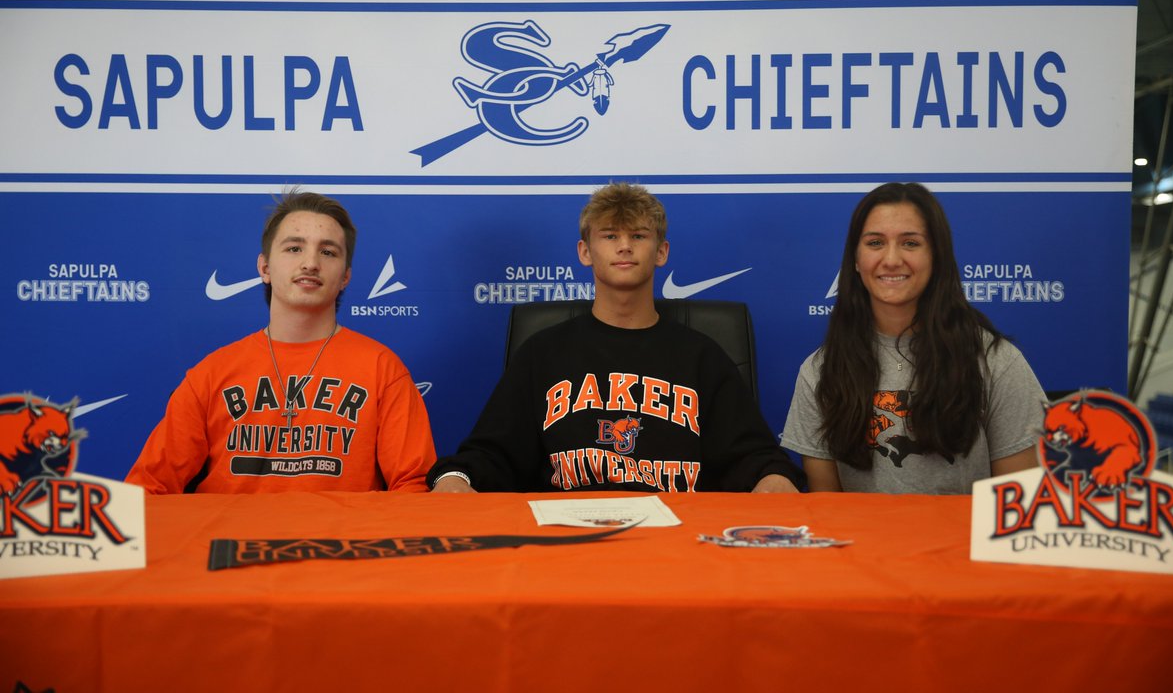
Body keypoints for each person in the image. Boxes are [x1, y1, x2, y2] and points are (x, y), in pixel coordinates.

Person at [429, 182, 803, 493]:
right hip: (564, 541)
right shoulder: (542, 353)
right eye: (610, 236)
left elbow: (753, 456)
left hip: (680, 542)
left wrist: (774, 478)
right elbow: (491, 454)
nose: (624, 246)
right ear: (585, 252)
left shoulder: (701, 356)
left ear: (661, 252)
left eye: (638, 235)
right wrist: (455, 478)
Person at [126, 189, 436, 494]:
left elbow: (413, 487)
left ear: (345, 277)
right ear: (264, 268)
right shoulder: (211, 375)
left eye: (328, 252)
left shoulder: (382, 369)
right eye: (294, 249)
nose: (311, 263)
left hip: (341, 543)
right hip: (230, 542)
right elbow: (147, 488)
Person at [781, 182, 1043, 494]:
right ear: (855, 260)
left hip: (966, 543)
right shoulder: (820, 370)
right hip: (864, 543)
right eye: (875, 243)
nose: (891, 259)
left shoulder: (996, 361)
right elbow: (826, 512)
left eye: (910, 243)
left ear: (936, 256)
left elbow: (1017, 503)